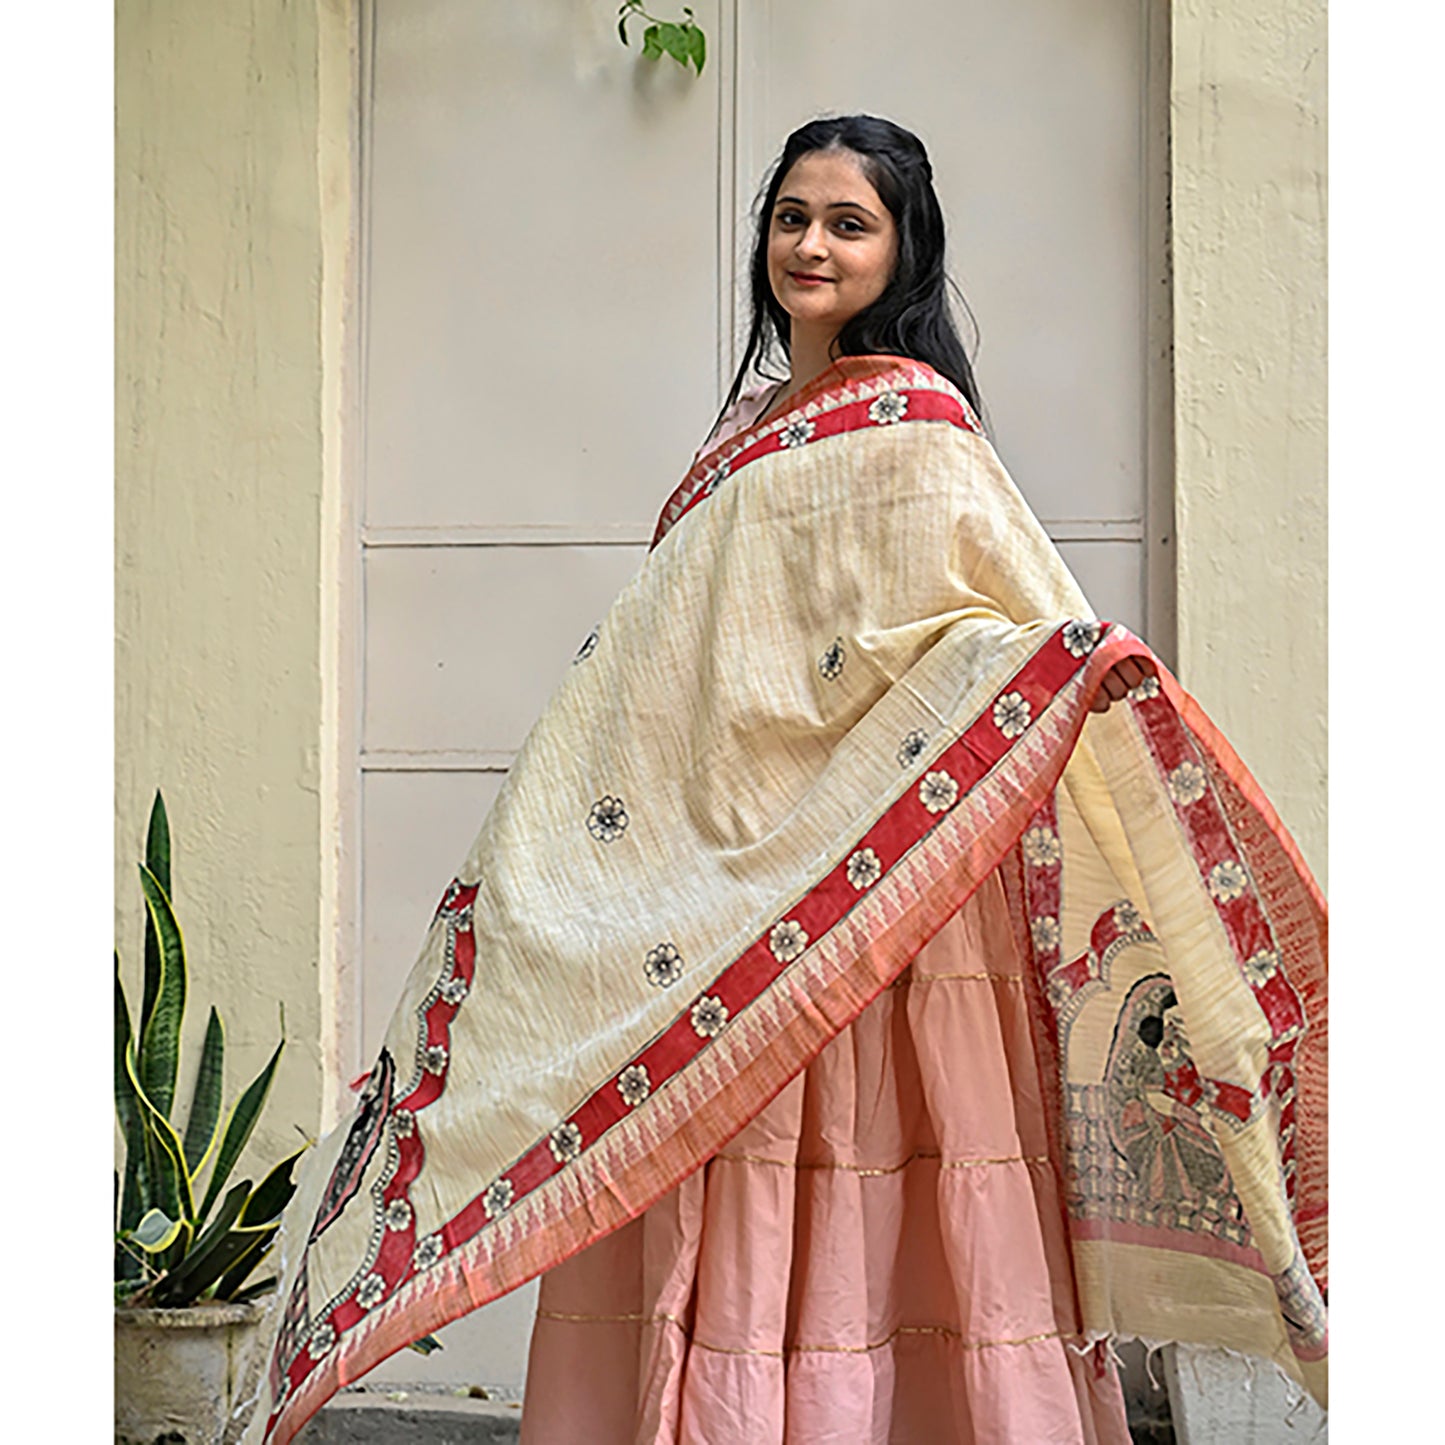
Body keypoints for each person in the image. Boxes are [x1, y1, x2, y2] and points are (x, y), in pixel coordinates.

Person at [245, 117, 1326, 1445]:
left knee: (877, 1207)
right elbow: (680, 666)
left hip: (881, 922)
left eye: (846, 222)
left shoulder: (921, 434)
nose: (809, 245)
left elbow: (984, 628)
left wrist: (1060, 662)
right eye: (791, 217)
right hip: (714, 914)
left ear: (901, 248)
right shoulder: (746, 437)